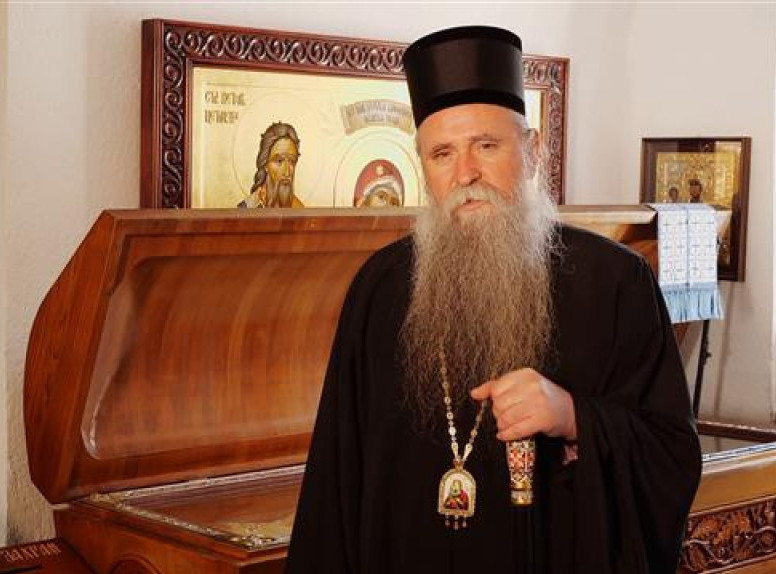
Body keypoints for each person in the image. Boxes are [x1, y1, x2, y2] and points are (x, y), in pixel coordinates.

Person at [286, 26, 701, 574]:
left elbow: (670, 458)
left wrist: (573, 416)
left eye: (486, 145)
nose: (466, 174)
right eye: (442, 153)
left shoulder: (616, 282)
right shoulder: (379, 289)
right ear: (424, 167)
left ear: (532, 151)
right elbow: (334, 486)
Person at [238, 121, 304, 208]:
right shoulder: (247, 208)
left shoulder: (299, 209)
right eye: (279, 161)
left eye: (292, 161)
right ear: (265, 163)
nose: (287, 172)